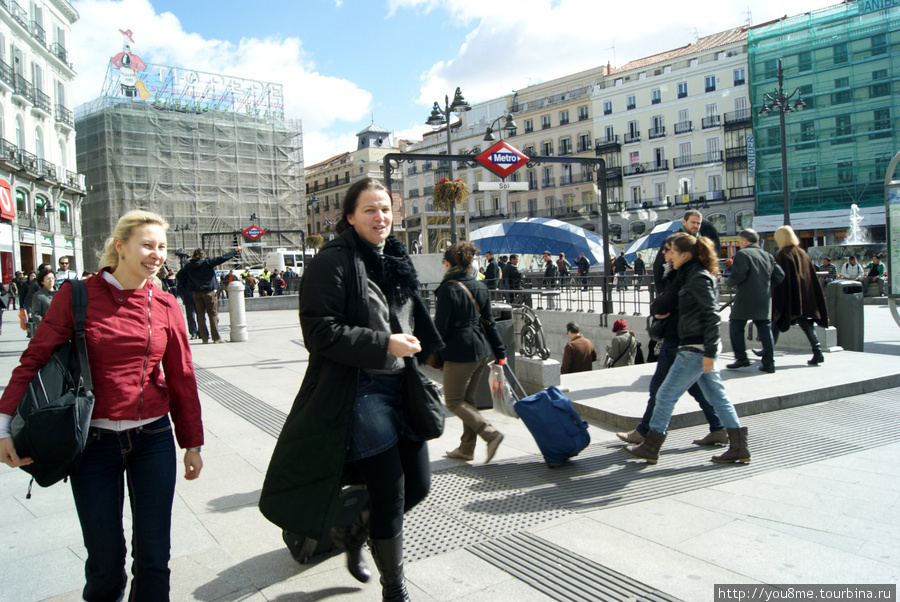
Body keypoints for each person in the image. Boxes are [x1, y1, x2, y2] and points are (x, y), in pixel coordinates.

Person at [0, 209, 204, 601]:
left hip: (153, 439)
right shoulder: (77, 295)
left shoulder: (165, 304)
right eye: (147, 244)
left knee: (155, 556)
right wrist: (4, 423)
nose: (156, 254)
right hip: (93, 443)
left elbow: (182, 376)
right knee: (105, 559)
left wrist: (191, 442)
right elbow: (35, 357)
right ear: (120, 246)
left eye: (162, 246)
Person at [259, 178, 443, 601]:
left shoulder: (394, 255)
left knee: (418, 486)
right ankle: (394, 589)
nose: (381, 218)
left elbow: (411, 313)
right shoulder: (333, 261)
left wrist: (436, 344)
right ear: (349, 216)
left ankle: (352, 530)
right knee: (390, 491)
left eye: (385, 210)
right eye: (370, 210)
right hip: (360, 391)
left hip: (404, 384)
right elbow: (319, 330)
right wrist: (384, 344)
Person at [623, 232, 749, 465]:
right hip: (698, 346)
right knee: (717, 397)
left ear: (684, 254)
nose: (666, 255)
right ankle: (739, 447)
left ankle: (651, 447)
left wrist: (710, 353)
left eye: (670, 251)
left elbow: (712, 316)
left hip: (696, 347)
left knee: (665, 395)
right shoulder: (692, 274)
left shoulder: (697, 277)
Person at [433, 241, 507, 463]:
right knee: (468, 399)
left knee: (453, 401)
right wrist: (500, 350)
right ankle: (466, 449)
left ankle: (489, 433)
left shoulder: (446, 289)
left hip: (460, 351)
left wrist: (429, 350)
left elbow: (440, 327)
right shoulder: (480, 286)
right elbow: (489, 322)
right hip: (482, 349)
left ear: (447, 263)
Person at [726, 229, 784, 374]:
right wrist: (767, 285)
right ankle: (769, 363)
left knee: (736, 325)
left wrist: (728, 282)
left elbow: (738, 274)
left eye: (740, 241)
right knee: (765, 328)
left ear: (745, 241)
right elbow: (780, 275)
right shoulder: (767, 255)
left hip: (745, 297)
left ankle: (741, 358)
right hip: (763, 297)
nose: (740, 244)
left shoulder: (743, 254)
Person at [771, 225, 829, 366]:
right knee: (805, 323)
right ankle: (817, 351)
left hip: (792, 296)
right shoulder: (802, 253)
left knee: (777, 321)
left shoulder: (783, 255)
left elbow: (780, 278)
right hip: (805, 295)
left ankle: (768, 351)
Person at [183, 244, 241, 344]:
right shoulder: (207, 262)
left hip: (196, 293)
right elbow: (222, 258)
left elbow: (180, 276)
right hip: (208, 292)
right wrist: (235, 250)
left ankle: (204, 338)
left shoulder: (189, 266)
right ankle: (216, 338)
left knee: (200, 316)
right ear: (203, 255)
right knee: (213, 315)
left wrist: (188, 286)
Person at [653, 210, 702, 292]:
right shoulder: (673, 239)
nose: (695, 226)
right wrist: (661, 289)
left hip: (694, 286)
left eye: (698, 223)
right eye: (693, 222)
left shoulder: (700, 241)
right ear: (684, 222)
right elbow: (658, 264)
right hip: (676, 287)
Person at [175, 263, 200, 339]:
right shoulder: (182, 274)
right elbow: (179, 286)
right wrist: (186, 293)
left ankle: (201, 332)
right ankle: (194, 332)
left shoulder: (196, 272)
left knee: (200, 315)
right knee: (191, 315)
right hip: (189, 296)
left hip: (197, 295)